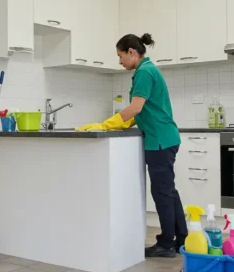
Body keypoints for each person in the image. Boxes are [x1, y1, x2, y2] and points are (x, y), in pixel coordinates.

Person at [77, 33, 187, 258]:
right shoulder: (148, 69)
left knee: (162, 192)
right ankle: (180, 239)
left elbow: (136, 108)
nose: (120, 62)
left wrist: (107, 124)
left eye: (120, 56)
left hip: (159, 140)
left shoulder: (145, 72)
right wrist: (117, 123)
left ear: (132, 52)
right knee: (168, 191)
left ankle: (167, 244)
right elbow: (144, 110)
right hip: (165, 137)